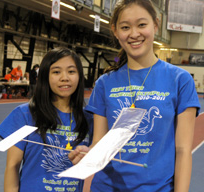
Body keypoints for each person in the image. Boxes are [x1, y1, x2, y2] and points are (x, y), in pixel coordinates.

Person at [69, 0, 200, 192]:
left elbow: (182, 150)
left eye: (142, 24)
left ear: (155, 25)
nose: (134, 34)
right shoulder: (104, 83)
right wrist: (88, 154)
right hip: (105, 187)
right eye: (125, 27)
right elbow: (99, 141)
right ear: (115, 31)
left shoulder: (180, 80)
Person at [0, 47, 93, 192]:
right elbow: (12, 166)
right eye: (56, 72)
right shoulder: (24, 114)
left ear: (79, 76)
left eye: (71, 71)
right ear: (46, 76)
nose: (64, 77)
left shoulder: (90, 120)